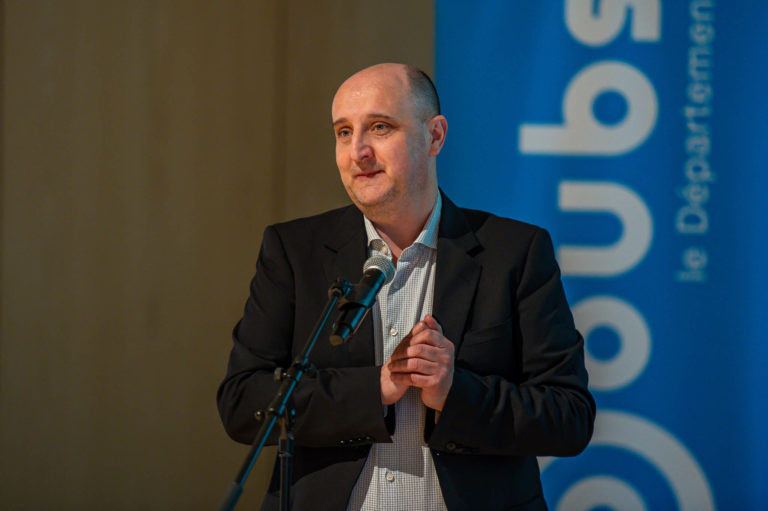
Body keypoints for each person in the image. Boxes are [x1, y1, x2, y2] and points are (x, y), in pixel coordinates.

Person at [217, 63, 595, 511]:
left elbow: (569, 417)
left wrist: (455, 392)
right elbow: (243, 403)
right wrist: (374, 389)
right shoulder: (295, 251)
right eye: (343, 132)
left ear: (434, 136)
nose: (358, 152)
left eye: (380, 127)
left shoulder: (514, 253)